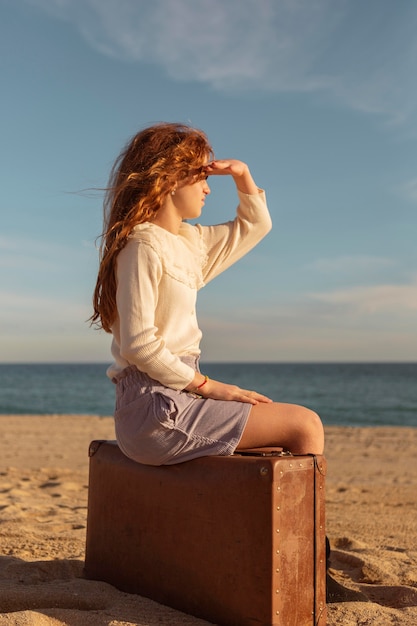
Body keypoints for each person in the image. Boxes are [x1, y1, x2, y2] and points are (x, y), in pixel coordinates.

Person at [91, 122, 324, 467]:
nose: (208, 189)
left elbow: (255, 226)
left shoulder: (190, 243)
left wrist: (242, 175)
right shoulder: (142, 245)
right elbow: (138, 345)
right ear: (169, 178)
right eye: (201, 177)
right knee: (305, 426)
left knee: (275, 445)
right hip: (155, 409)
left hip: (176, 397)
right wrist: (210, 387)